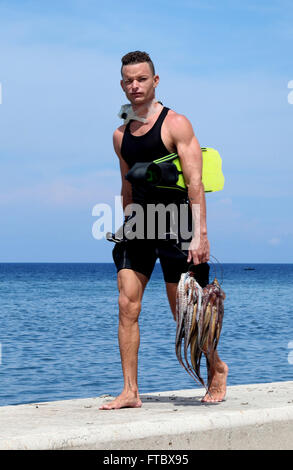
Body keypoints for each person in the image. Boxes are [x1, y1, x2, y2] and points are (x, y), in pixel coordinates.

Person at [99, 51, 228, 410]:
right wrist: (127, 223)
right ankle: (130, 391)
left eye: (141, 79)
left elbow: (196, 183)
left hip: (177, 222)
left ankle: (217, 368)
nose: (135, 85)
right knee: (127, 304)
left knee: (185, 311)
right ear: (122, 85)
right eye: (128, 80)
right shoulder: (120, 135)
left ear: (155, 81)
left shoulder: (177, 124)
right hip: (139, 224)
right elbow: (126, 186)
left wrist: (200, 235)